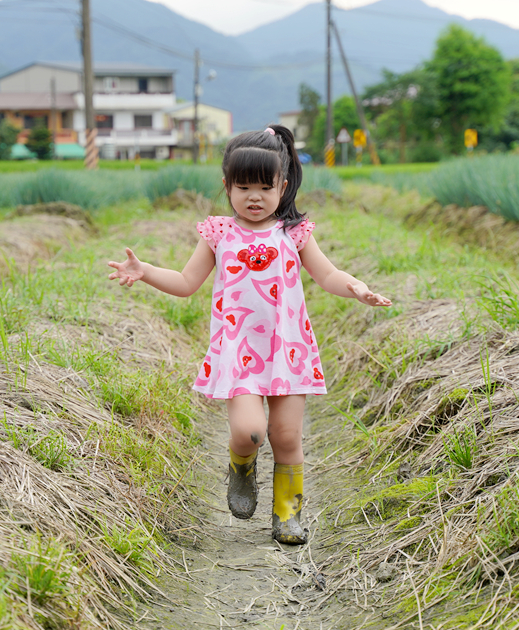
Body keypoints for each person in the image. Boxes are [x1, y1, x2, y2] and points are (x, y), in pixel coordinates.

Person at [108, 124, 391, 545]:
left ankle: (288, 515)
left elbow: (327, 273)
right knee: (250, 433)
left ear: (284, 184)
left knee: (287, 436)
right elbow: (187, 282)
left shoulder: (293, 233)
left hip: (287, 350)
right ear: (227, 186)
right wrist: (145, 271)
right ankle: (241, 468)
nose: (253, 197)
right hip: (239, 349)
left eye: (264, 186)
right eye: (243, 187)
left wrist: (356, 288)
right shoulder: (220, 233)